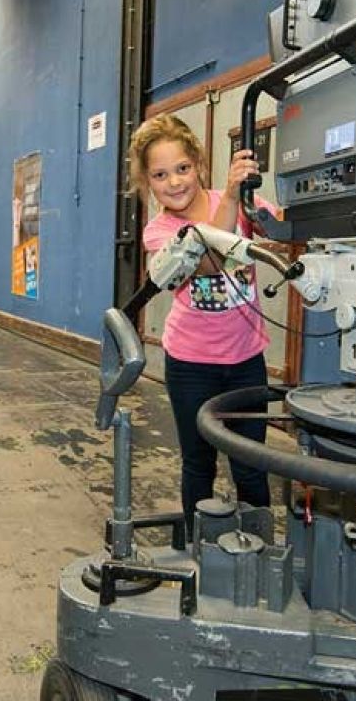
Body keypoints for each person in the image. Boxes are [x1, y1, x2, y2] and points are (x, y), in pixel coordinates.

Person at [131, 114, 276, 526]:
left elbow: (284, 223)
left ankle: (260, 551)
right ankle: (199, 547)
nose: (174, 182)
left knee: (251, 462)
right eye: (160, 175)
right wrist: (230, 199)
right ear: (147, 182)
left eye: (182, 168)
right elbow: (210, 261)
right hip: (191, 365)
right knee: (199, 463)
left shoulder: (235, 202)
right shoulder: (159, 233)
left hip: (246, 359)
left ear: (197, 163)